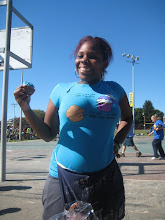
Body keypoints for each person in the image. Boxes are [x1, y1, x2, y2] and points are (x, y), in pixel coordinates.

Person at [14, 36, 133, 220]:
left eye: (92, 56)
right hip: (61, 177)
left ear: (104, 62)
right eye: (80, 55)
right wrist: (26, 108)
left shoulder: (115, 90)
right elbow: (47, 134)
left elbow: (127, 118)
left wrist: (117, 142)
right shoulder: (61, 90)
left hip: (105, 176)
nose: (83, 60)